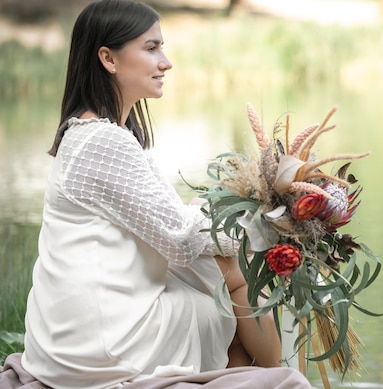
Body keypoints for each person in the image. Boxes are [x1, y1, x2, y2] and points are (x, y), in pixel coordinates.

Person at [15, 1, 307, 388]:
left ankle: (259, 376)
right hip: (98, 343)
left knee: (219, 274)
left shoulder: (93, 135)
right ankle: (274, 378)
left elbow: (167, 221)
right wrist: (267, 226)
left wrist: (225, 218)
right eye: (151, 49)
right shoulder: (102, 143)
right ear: (108, 58)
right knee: (231, 281)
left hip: (71, 331)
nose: (165, 62)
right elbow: (184, 240)